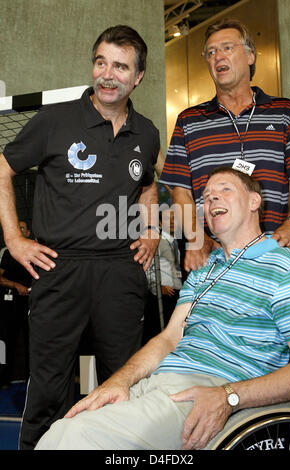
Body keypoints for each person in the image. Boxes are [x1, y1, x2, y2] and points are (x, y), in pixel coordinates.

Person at [35, 167, 290, 451]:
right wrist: (118, 382)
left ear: (254, 202)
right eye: (206, 196)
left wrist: (229, 396)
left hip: (208, 388)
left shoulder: (284, 267)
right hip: (159, 382)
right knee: (60, 430)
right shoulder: (204, 271)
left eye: (224, 189)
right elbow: (169, 338)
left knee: (71, 439)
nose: (211, 200)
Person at [0, 25, 161, 449]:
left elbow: (147, 186)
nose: (108, 74)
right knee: (49, 389)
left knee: (123, 384)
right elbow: (2, 169)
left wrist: (151, 230)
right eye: (101, 62)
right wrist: (15, 243)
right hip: (59, 269)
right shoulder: (54, 120)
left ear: (138, 76)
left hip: (121, 275)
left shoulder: (146, 132)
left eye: (121, 66)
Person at [160, 18, 290, 272]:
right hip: (213, 258)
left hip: (279, 253)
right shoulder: (189, 121)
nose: (217, 56)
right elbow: (180, 190)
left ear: (250, 56)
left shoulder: (286, 113)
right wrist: (196, 239)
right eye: (211, 52)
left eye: (227, 48)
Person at [0, 221, 32, 388]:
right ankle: (3, 379)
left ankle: (30, 380)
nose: (19, 230)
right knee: (6, 342)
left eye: (22, 228)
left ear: (28, 232)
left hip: (31, 304)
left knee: (31, 343)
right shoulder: (6, 253)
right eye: (17, 227)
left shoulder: (35, 251)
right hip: (9, 305)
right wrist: (16, 285)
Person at [143, 209, 182, 343]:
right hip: (159, 296)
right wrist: (157, 287)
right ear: (159, 222)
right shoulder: (156, 241)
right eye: (167, 219)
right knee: (158, 336)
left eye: (174, 218)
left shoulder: (175, 241)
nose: (171, 222)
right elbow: (146, 267)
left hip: (175, 295)